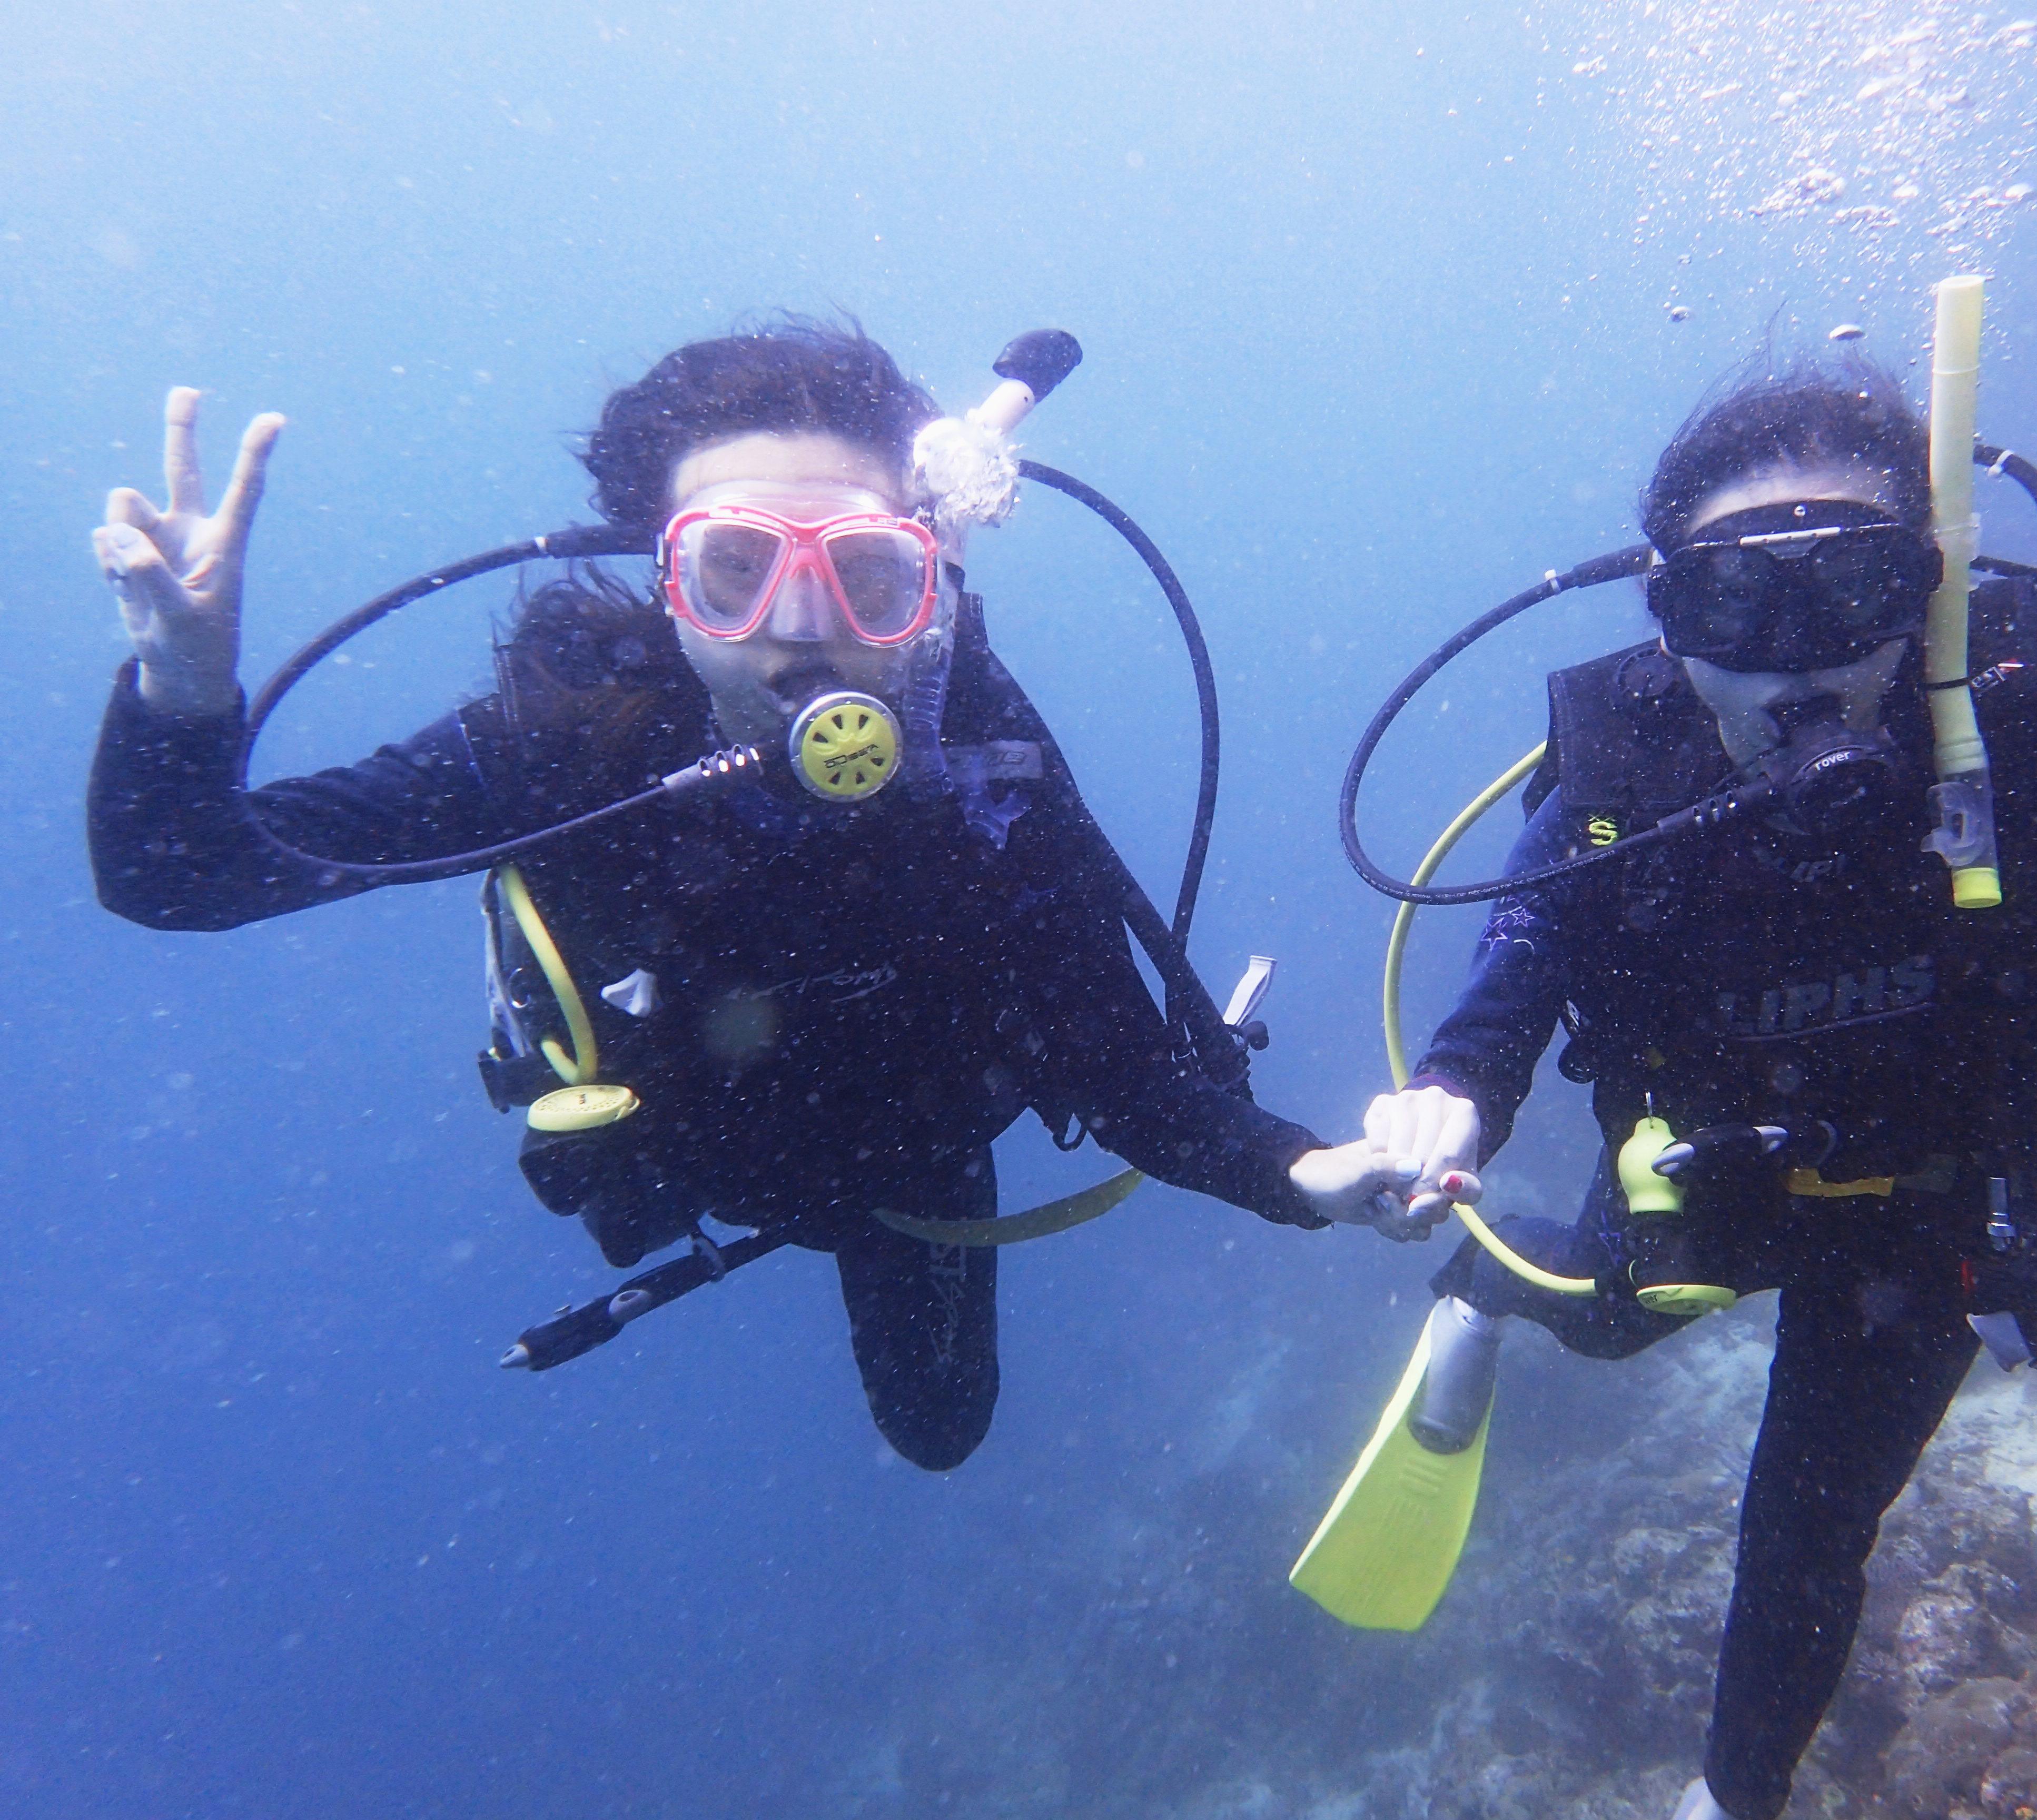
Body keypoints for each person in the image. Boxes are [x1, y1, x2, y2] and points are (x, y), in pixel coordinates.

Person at [1346, 355, 2037, 1819]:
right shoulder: (1621, 787)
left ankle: (1727, 1805)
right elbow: (1508, 988)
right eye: (1739, 599)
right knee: (1602, 1324)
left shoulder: (2036, 736)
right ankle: (1482, 1297)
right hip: (1717, 1171)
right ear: (1670, 624)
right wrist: (1450, 1106)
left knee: (1809, 1531)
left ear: (1927, 590)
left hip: (1936, 1215)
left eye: (1850, 587)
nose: (1795, 658)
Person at [86, 318, 1400, 1472]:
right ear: (666, 582)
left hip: (923, 1152)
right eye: (735, 569)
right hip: (688, 1147)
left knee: (942, 1434)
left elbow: (1127, 1077)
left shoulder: (974, 759)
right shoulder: (563, 743)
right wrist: (182, 703)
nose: (803, 622)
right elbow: (182, 873)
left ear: (923, 583)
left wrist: (1303, 1171)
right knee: (926, 1427)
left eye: (867, 574)